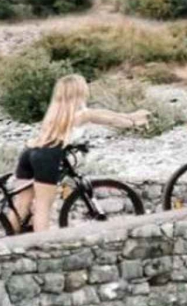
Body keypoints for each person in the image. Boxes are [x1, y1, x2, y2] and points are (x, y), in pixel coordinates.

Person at [11, 74, 150, 233]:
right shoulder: (82, 115)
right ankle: (43, 245)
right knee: (43, 206)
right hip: (47, 157)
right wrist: (133, 123)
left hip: (29, 152)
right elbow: (109, 120)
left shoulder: (56, 112)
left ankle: (5, 241)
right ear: (79, 91)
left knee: (21, 206)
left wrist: (130, 115)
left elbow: (103, 112)